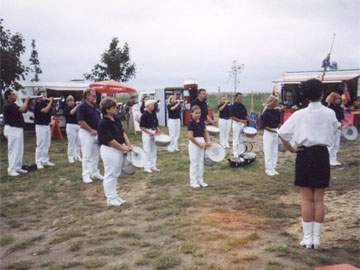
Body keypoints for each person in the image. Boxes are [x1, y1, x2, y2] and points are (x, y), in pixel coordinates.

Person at [278, 79, 339, 249]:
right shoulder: (329, 113)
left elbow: (282, 133)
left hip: (304, 154)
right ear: (321, 93)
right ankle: (316, 240)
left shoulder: (299, 114)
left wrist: (290, 149)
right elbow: (336, 128)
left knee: (306, 199)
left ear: (304, 94)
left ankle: (307, 238)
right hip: (321, 154)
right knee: (318, 199)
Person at [98, 97, 133, 207]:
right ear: (107, 109)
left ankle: (114, 195)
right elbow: (110, 140)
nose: (116, 109)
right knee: (110, 174)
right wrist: (122, 148)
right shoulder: (103, 123)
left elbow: (123, 133)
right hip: (110, 150)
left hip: (119, 149)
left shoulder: (116, 119)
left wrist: (128, 144)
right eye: (114, 107)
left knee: (116, 174)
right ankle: (110, 198)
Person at [77, 88, 103, 183]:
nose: (95, 97)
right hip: (86, 133)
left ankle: (95, 172)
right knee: (87, 154)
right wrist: (90, 130)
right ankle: (86, 175)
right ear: (87, 96)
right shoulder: (82, 106)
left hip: (95, 132)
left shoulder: (94, 106)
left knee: (95, 154)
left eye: (95, 95)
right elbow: (81, 121)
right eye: (93, 95)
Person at [3, 90, 30, 176]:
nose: (15, 96)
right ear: (8, 96)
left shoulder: (13, 104)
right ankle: (11, 169)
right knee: (13, 150)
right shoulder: (8, 105)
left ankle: (18, 167)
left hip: (17, 129)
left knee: (19, 149)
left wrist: (26, 102)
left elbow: (24, 109)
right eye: (13, 94)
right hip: (12, 129)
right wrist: (26, 101)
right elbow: (22, 109)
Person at [188, 105, 211, 188]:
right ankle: (193, 182)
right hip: (194, 143)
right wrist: (199, 144)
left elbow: (205, 132)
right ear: (192, 113)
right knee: (194, 162)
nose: (198, 114)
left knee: (201, 162)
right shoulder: (191, 122)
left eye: (199, 113)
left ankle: (200, 180)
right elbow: (190, 136)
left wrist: (208, 141)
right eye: (196, 113)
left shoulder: (201, 121)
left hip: (202, 140)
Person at [261, 95, 281, 176]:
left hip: (276, 131)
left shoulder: (277, 111)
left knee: (274, 151)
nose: (277, 103)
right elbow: (263, 126)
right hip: (268, 133)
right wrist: (273, 130)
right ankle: (268, 169)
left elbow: (279, 122)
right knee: (268, 151)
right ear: (272, 102)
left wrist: (279, 128)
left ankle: (273, 168)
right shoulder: (265, 113)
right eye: (276, 101)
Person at [34, 92, 55, 169]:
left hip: (46, 125)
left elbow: (50, 112)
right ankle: (38, 161)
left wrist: (51, 103)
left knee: (47, 143)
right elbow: (45, 111)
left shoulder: (46, 103)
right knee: (40, 144)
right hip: (40, 126)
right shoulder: (38, 104)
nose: (45, 97)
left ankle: (45, 160)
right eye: (43, 95)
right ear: (39, 97)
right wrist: (50, 102)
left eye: (46, 95)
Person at [140, 99, 161, 173]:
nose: (153, 106)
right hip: (146, 133)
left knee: (153, 149)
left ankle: (153, 166)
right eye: (152, 105)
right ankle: (147, 167)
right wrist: (149, 132)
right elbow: (142, 127)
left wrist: (157, 129)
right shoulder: (144, 115)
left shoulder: (153, 113)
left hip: (153, 132)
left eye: (153, 105)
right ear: (147, 106)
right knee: (147, 150)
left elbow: (155, 123)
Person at [326, 92, 344, 166]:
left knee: (336, 144)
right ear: (333, 99)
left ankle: (334, 159)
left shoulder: (339, 107)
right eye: (337, 99)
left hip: (338, 126)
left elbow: (341, 117)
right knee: (331, 144)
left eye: (339, 99)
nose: (339, 100)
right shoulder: (330, 108)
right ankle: (330, 160)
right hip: (332, 127)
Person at [64, 95, 81, 163]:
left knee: (78, 142)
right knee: (71, 142)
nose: (71, 102)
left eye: (72, 100)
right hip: (70, 126)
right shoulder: (66, 108)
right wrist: (77, 106)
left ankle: (77, 156)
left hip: (78, 125)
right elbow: (71, 113)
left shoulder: (77, 107)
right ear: (67, 102)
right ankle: (70, 156)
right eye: (70, 100)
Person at [231, 93, 248, 158]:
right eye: (239, 97)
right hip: (236, 124)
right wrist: (241, 121)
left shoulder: (242, 105)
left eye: (241, 97)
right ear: (236, 98)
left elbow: (245, 114)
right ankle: (235, 153)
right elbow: (232, 117)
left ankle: (241, 152)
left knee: (241, 139)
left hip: (242, 124)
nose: (241, 99)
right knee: (236, 139)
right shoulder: (233, 106)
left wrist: (246, 122)